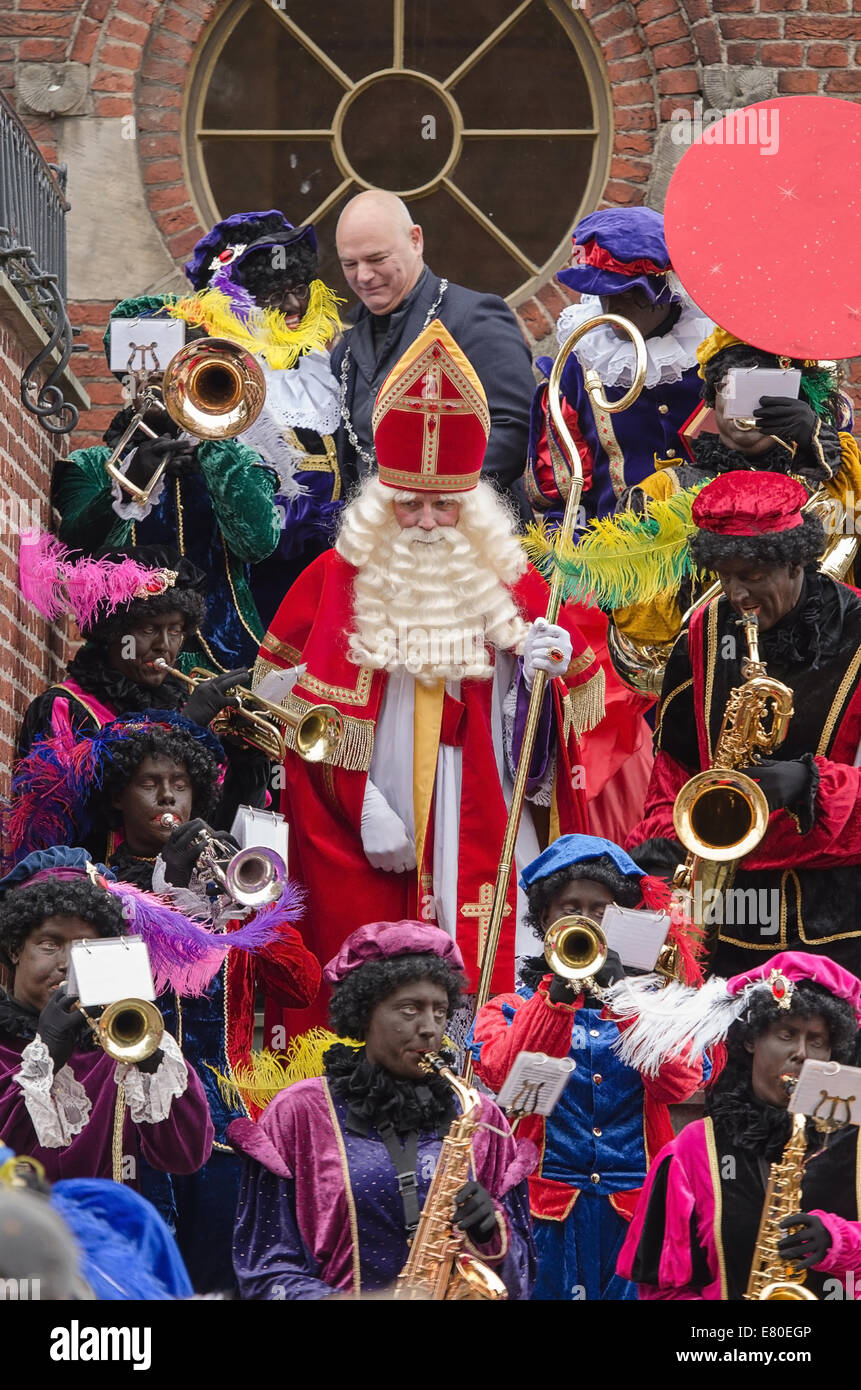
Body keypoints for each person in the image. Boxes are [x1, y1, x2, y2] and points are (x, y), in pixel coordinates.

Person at [253, 321, 610, 1038]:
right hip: (366, 813)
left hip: (482, 797)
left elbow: (583, 717)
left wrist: (542, 670)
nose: (422, 521)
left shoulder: (513, 579)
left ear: (470, 505)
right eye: (406, 504)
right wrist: (360, 807)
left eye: (441, 505)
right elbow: (281, 703)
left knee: (485, 975)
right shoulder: (331, 578)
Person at [7, 713, 322, 1293]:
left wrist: (246, 902)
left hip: (221, 1122)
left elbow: (302, 985)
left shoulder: (222, 889)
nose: (169, 794)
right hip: (129, 1112)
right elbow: (123, 986)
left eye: (181, 782)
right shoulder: (96, 890)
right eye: (151, 782)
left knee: (215, 1278)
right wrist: (164, 891)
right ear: (120, 797)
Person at [628, 471, 861, 978]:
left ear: (797, 558)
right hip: (721, 918)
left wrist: (808, 783)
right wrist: (664, 858)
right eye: (724, 576)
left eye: (753, 575)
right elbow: (674, 770)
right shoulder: (704, 629)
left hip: (836, 924)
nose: (738, 596)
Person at [229, 920, 536, 1299]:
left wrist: (491, 1236)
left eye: (440, 1011)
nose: (429, 1028)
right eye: (410, 1009)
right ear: (364, 1013)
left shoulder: (481, 1116)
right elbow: (264, 1270)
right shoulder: (299, 1113)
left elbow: (522, 1279)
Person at [468, 834, 705, 1301]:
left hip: (638, 1215)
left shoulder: (657, 1008)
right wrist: (555, 999)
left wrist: (625, 998)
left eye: (600, 909)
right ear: (544, 920)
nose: (585, 919)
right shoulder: (510, 1007)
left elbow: (678, 1083)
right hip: (543, 1213)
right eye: (568, 907)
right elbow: (507, 1082)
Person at [50, 295, 282, 673]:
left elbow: (258, 543)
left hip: (227, 658)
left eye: (175, 374)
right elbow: (75, 551)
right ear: (128, 381)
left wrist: (214, 453)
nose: (161, 386)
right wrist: (128, 483)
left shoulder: (237, 458)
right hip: (124, 658)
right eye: (150, 376)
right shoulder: (92, 465)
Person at [615, 952, 861, 1300]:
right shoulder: (693, 1149)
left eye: (817, 1041)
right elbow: (661, 1290)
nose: (802, 1053)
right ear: (751, 1040)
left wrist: (839, 1241)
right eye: (786, 1034)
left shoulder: (856, 1138)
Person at [610, 327, 861, 664]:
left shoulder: (827, 474)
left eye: (766, 390)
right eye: (730, 387)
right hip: (721, 676)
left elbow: (855, 522)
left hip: (829, 666)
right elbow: (641, 627)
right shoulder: (663, 492)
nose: (746, 408)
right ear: (712, 399)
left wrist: (822, 450)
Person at [0, 848, 214, 1186]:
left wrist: (151, 1058)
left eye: (84, 945)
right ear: (14, 950)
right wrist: (45, 1060)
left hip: (111, 1235)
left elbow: (186, 1157)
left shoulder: (118, 1042)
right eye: (49, 944)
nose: (66, 964)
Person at [16, 538, 268, 823]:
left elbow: (222, 825)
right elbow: (58, 813)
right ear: (113, 633)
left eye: (175, 631)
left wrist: (246, 760)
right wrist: (182, 726)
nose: (164, 645)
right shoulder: (65, 706)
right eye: (149, 629)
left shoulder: (187, 708)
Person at [177, 211, 345, 630]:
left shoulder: (330, 369)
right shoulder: (212, 379)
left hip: (336, 583)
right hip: (251, 592)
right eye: (275, 293)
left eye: (298, 290)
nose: (292, 306)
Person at [331, 189, 536, 515]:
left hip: (467, 543)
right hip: (379, 547)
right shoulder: (344, 350)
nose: (363, 276)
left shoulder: (475, 318)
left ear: (415, 240)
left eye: (377, 259)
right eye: (349, 264)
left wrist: (426, 507)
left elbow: (513, 429)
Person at [524, 207, 713, 529]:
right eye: (602, 294)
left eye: (627, 293)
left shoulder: (717, 352)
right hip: (617, 559)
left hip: (719, 549)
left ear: (665, 288)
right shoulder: (578, 364)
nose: (613, 307)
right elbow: (566, 500)